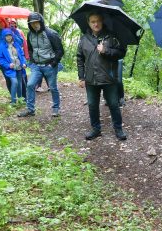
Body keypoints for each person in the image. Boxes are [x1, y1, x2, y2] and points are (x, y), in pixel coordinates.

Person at [76, 12, 127, 141]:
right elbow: (80, 58)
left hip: (108, 77)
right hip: (91, 79)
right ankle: (96, 129)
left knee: (114, 104)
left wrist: (106, 51)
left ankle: (118, 129)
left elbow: (121, 53)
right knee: (92, 105)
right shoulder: (84, 39)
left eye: (98, 20)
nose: (96, 24)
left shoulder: (111, 36)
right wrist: (81, 77)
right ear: (88, 23)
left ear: (102, 21)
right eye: (93, 21)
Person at [18, 12, 64, 118]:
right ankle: (30, 110)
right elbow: (29, 48)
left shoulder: (51, 34)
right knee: (30, 85)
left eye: (36, 22)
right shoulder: (30, 34)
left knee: (52, 88)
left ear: (41, 21)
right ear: (29, 24)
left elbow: (60, 50)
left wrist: (53, 63)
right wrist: (32, 60)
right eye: (32, 23)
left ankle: (56, 108)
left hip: (49, 65)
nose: (34, 25)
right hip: (36, 66)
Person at [0, 29, 27, 105]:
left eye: (10, 35)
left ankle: (20, 100)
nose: (8, 37)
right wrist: (8, 65)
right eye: (6, 36)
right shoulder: (1, 46)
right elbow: (0, 59)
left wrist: (24, 63)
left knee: (19, 84)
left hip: (19, 66)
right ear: (4, 37)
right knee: (15, 82)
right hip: (10, 69)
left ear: (12, 36)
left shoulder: (16, 45)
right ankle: (13, 101)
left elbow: (22, 55)